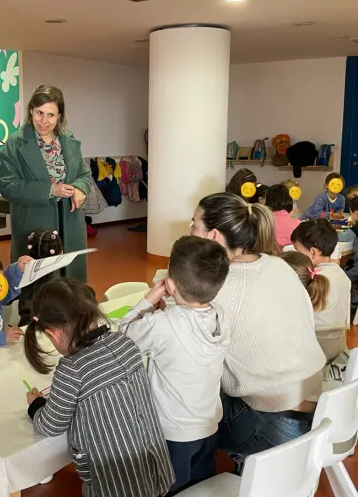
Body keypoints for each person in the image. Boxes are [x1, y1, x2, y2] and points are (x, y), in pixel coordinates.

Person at [189, 193, 325, 465]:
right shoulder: (280, 265)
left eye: (194, 224)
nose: (189, 230)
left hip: (273, 423)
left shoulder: (218, 286)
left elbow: (190, 355)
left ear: (214, 235)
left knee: (180, 410)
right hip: (316, 408)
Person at [23, 278, 174, 497]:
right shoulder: (124, 343)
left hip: (116, 486)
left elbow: (51, 425)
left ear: (52, 334)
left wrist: (36, 404)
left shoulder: (71, 368)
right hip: (157, 472)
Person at [119, 236, 230, 493]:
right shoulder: (221, 316)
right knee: (200, 487)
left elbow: (124, 337)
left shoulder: (162, 325)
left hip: (173, 432)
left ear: (168, 284)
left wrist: (147, 301)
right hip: (208, 424)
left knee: (169, 488)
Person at [0, 84, 92, 283]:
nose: (44, 121)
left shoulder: (69, 141)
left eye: (51, 115)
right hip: (33, 225)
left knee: (71, 284)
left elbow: (84, 174)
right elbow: (7, 185)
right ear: (31, 110)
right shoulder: (15, 144)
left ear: (59, 116)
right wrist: (51, 190)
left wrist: (80, 188)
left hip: (70, 224)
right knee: (38, 287)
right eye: (39, 112)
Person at [291, 220, 352, 362]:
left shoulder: (313, 279)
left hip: (314, 350)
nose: (296, 255)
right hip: (338, 347)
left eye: (297, 251)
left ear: (313, 252)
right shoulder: (341, 275)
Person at [18, 230, 64, 327]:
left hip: (25, 330)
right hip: (51, 331)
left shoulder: (21, 279)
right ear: (61, 253)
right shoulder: (61, 288)